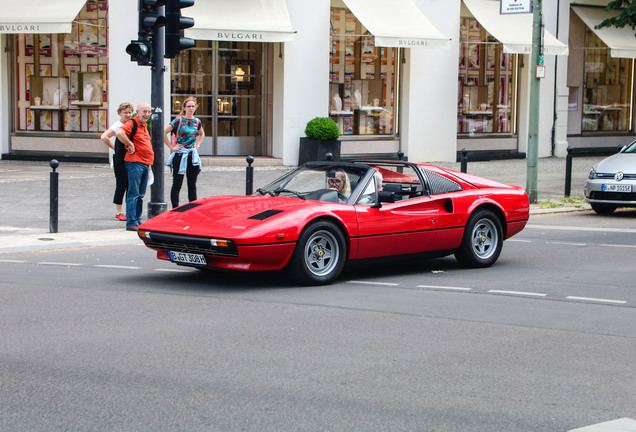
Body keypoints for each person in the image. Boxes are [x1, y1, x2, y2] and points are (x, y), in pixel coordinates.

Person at [116, 102, 154, 231]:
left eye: (149, 112)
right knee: (134, 193)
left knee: (140, 194)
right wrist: (130, 144)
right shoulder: (132, 123)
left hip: (144, 164)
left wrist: (149, 164)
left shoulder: (143, 125)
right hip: (134, 163)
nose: (147, 114)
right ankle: (131, 222)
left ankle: (137, 219)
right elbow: (119, 133)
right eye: (144, 111)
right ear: (137, 112)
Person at [164, 96, 205, 208]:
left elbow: (201, 133)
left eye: (193, 106)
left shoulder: (197, 121)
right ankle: (175, 208)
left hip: (192, 155)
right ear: (184, 108)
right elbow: (164, 132)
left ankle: (192, 207)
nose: (191, 108)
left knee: (192, 184)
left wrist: (198, 144)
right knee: (177, 183)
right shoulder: (178, 120)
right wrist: (172, 147)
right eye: (189, 106)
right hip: (180, 154)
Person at [100, 102, 134, 221]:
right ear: (120, 113)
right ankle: (119, 211)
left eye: (130, 112)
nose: (128, 115)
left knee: (131, 185)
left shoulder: (132, 124)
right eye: (125, 112)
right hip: (120, 158)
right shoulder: (117, 125)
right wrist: (114, 148)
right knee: (121, 184)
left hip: (131, 157)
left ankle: (131, 211)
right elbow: (104, 137)